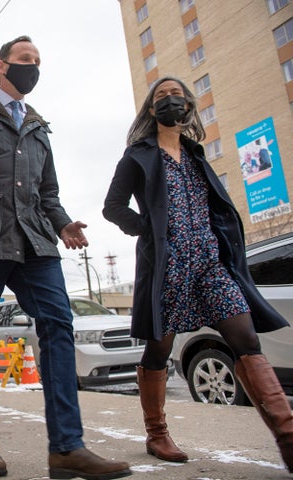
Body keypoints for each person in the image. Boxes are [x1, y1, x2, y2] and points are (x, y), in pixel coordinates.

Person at [0, 35, 132, 479]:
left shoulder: (38, 126)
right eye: (25, 60)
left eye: (38, 61)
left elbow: (48, 192)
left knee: (58, 326)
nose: (32, 67)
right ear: (2, 66)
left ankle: (67, 448)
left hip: (36, 242)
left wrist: (63, 223)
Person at [102, 76, 293, 471]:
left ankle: (288, 437)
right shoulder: (138, 155)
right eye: (161, 97)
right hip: (167, 267)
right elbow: (113, 206)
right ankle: (157, 434)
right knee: (158, 349)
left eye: (178, 96)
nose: (171, 101)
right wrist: (151, 232)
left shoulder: (196, 155)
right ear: (151, 111)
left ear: (188, 106)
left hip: (210, 264)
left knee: (246, 340)